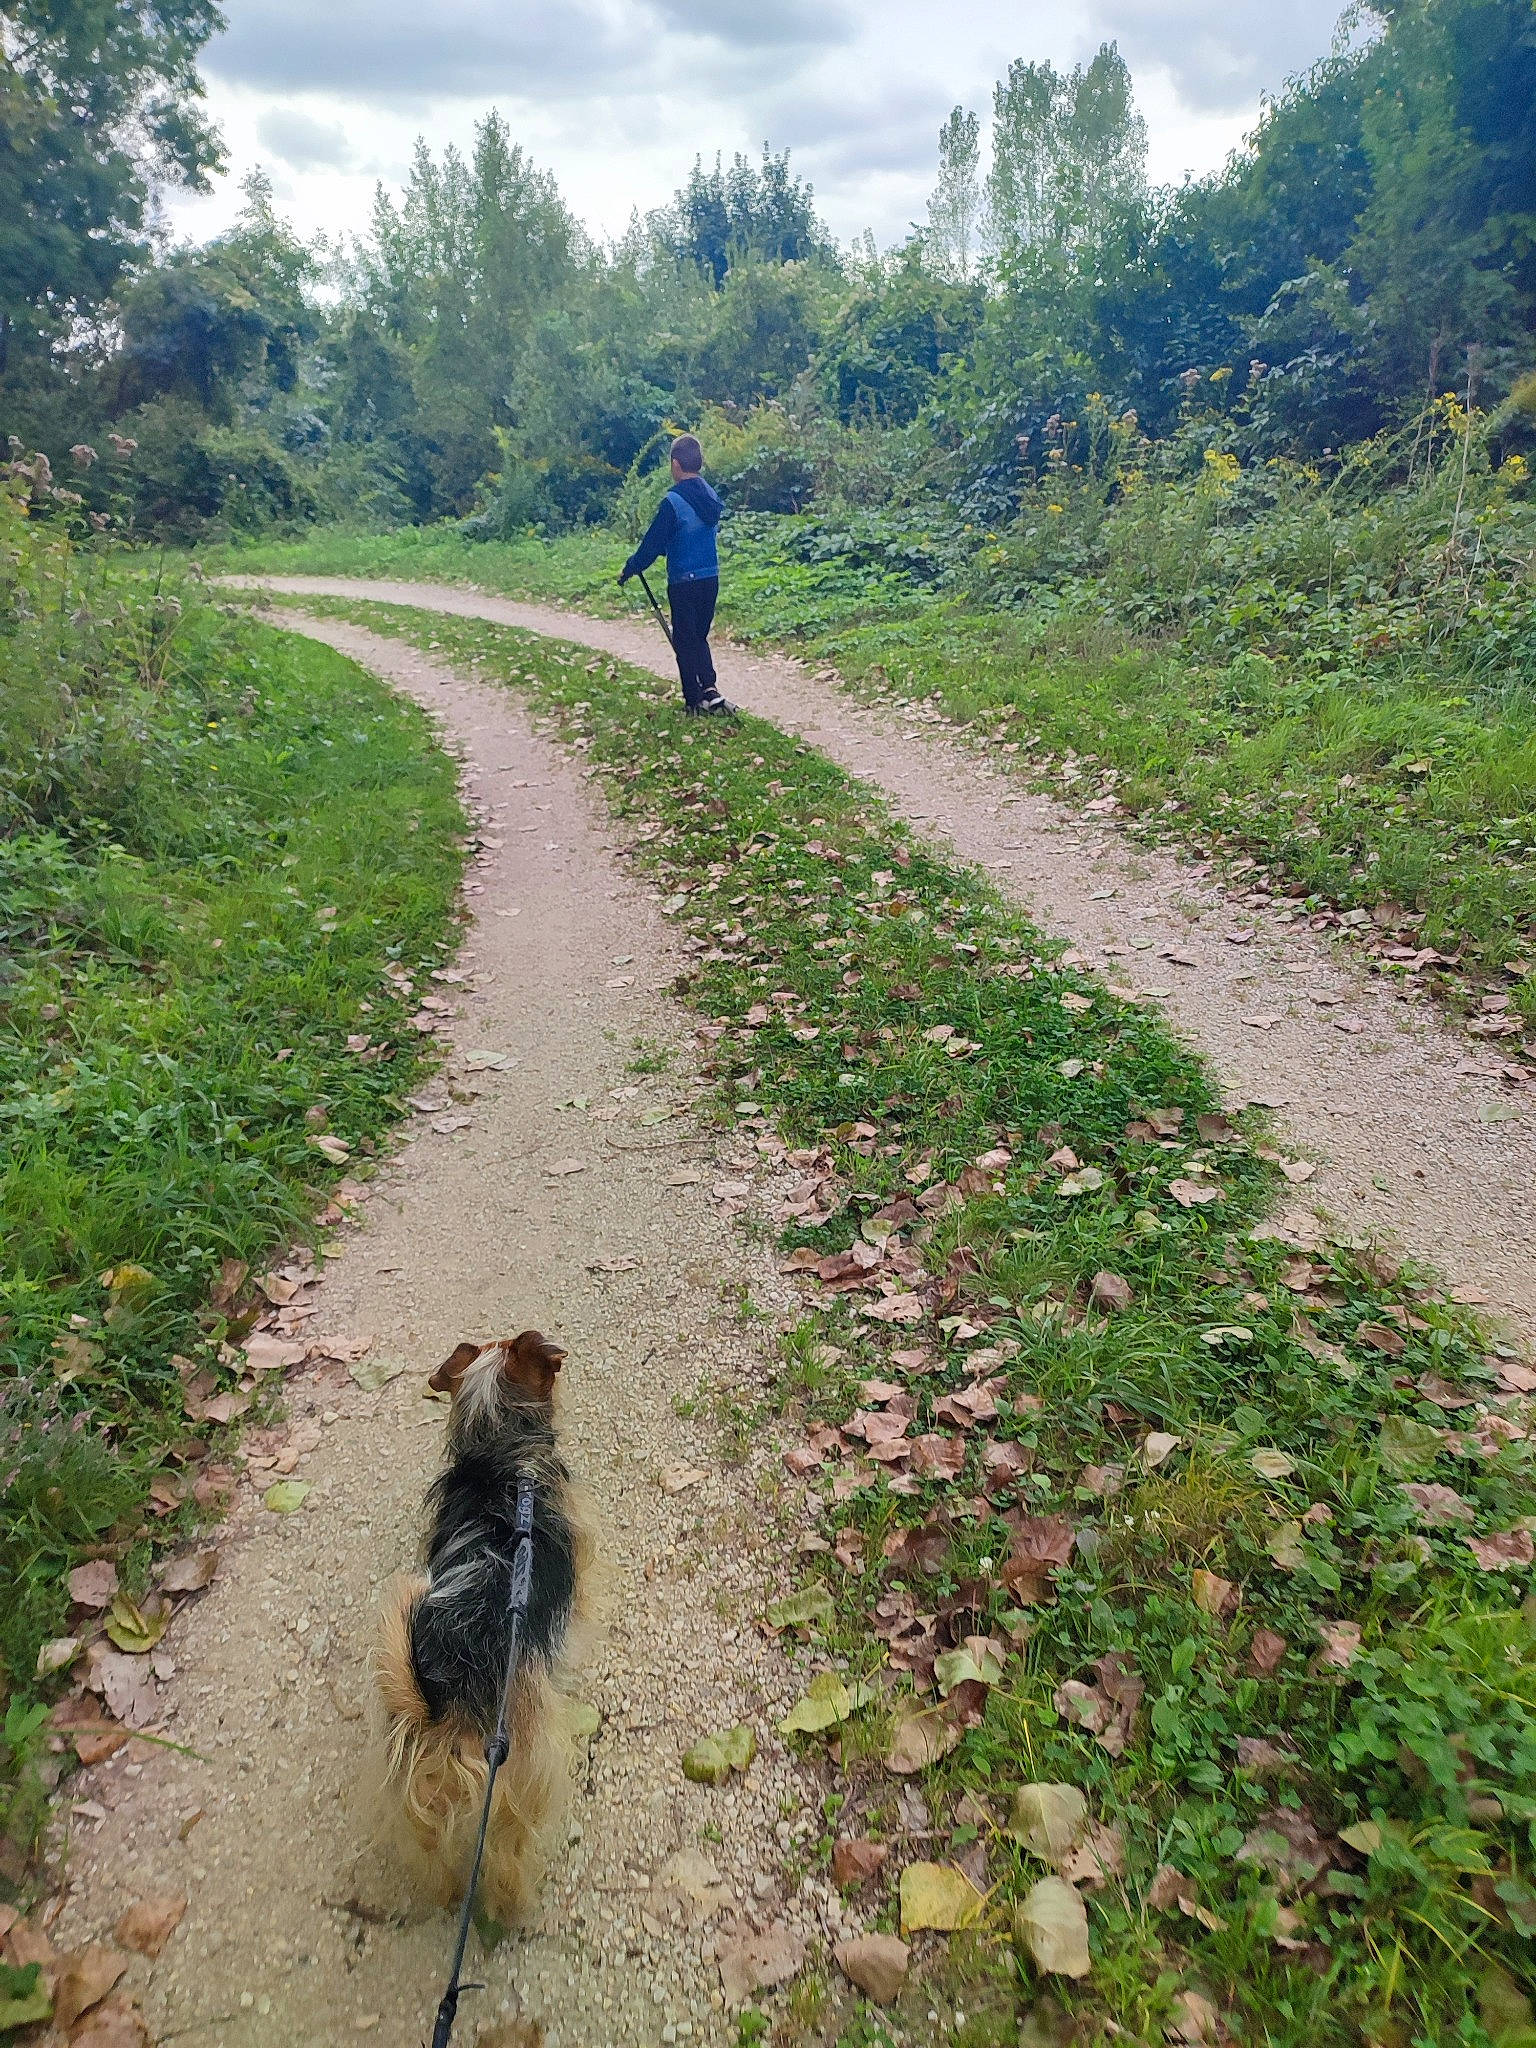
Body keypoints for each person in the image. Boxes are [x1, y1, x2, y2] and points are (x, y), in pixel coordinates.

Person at [618, 434, 736, 716]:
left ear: (675, 464)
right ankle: (709, 688)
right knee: (699, 636)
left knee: (684, 640)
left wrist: (632, 567)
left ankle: (693, 701)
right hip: (711, 578)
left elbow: (654, 543)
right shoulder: (711, 495)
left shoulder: (673, 501)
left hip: (684, 580)